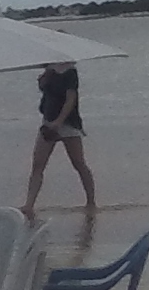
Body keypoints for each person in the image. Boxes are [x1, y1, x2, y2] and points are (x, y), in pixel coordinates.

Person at [24, 60, 96, 217]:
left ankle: (91, 201)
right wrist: (44, 76)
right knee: (38, 164)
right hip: (48, 120)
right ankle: (29, 204)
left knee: (78, 163)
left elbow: (71, 99)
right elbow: (45, 90)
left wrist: (59, 121)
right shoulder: (50, 71)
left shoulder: (70, 72)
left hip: (68, 123)